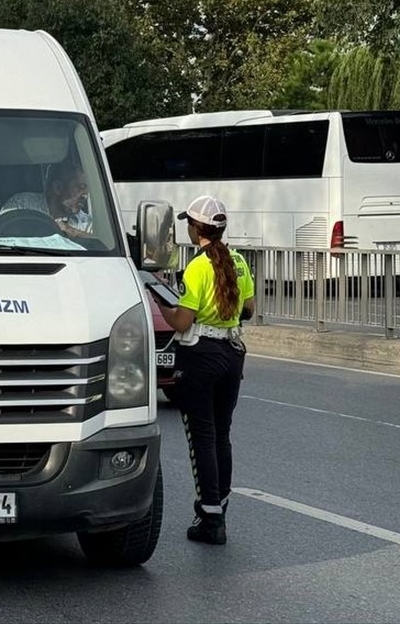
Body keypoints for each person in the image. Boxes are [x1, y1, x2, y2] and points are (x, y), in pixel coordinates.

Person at [155, 195, 255, 546]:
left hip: (201, 354)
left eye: (189, 223)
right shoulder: (239, 262)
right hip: (232, 353)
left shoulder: (197, 267)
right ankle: (220, 507)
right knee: (222, 432)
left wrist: (162, 306)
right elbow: (249, 310)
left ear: (197, 228)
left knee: (202, 436)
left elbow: (182, 322)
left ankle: (210, 516)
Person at [0, 163, 93, 238]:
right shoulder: (21, 205)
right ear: (58, 187)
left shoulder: (85, 223)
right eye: (81, 187)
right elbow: (1, 236)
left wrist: (74, 233)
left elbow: (101, 244)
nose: (85, 195)